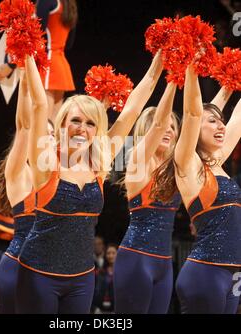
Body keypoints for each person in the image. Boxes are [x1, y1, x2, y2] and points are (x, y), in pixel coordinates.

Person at [16, 50, 164, 314]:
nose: (82, 128)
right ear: (62, 124)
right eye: (75, 120)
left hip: (82, 279)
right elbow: (39, 105)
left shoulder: (100, 163)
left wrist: (162, 59)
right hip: (38, 274)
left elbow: (131, 111)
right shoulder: (45, 162)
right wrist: (27, 51)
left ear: (97, 131)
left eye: (90, 123)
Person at [162, 65, 241, 314]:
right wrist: (191, 67)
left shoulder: (216, 162)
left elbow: (239, 117)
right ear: (195, 129)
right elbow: (193, 112)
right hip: (206, 273)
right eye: (213, 121)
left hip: (234, 276)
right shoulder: (187, 163)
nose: (221, 126)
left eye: (221, 121)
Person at [113, 82, 181, 314]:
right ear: (147, 130)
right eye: (163, 125)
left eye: (174, 126)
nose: (169, 129)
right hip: (136, 260)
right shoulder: (137, 161)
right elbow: (160, 123)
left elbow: (194, 123)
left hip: (164, 264)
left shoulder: (176, 169)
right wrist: (175, 76)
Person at [0, 69, 54, 314]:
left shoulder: (59, 177)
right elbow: (24, 126)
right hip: (18, 268)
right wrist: (26, 75)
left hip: (51, 271)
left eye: (53, 135)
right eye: (45, 134)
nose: (50, 139)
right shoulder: (20, 172)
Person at [92, 243, 118, 314]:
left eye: (113, 253)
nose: (111, 256)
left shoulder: (122, 273)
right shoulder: (100, 272)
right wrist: (94, 308)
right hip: (99, 309)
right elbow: (95, 291)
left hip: (116, 310)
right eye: (108, 253)